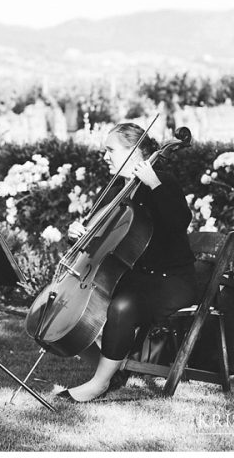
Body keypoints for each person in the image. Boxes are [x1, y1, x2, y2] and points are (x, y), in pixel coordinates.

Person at [57, 122, 197, 403]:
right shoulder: (117, 188)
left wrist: (154, 184)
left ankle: (99, 383)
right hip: (134, 276)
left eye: (111, 150)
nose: (105, 156)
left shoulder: (161, 180)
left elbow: (179, 222)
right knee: (69, 308)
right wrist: (80, 232)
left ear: (135, 152)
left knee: (122, 307)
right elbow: (101, 233)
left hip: (170, 280)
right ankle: (110, 371)